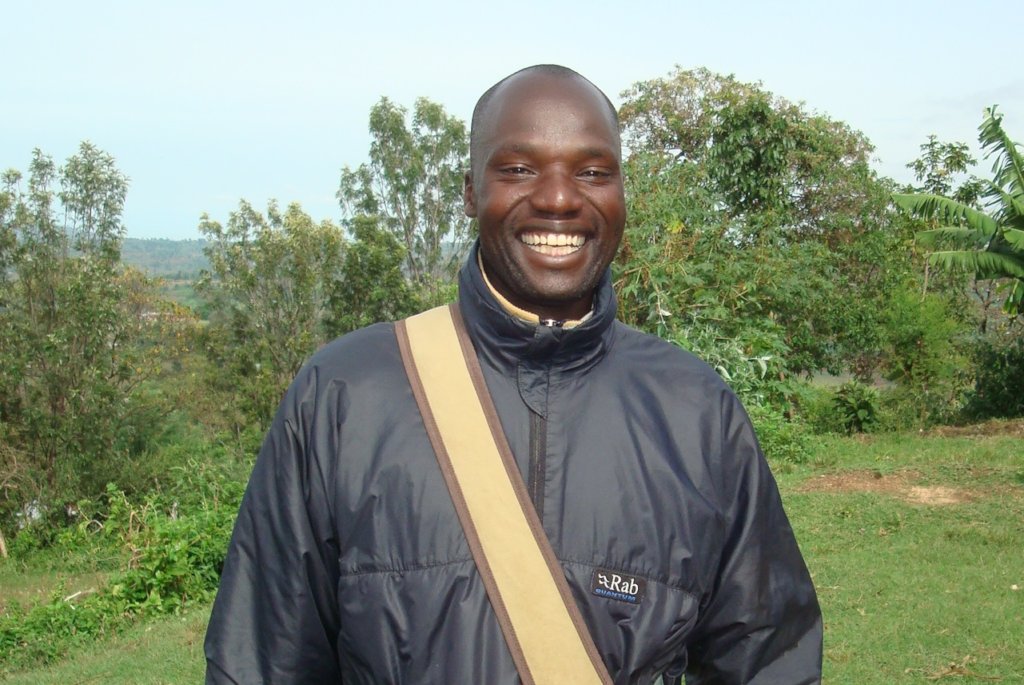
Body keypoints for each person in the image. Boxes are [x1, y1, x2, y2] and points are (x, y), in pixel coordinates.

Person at [205, 64, 822, 684]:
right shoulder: (342, 396)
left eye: (593, 172)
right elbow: (263, 659)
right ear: (472, 190)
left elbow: (767, 659)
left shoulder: (695, 412)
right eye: (519, 169)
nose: (558, 198)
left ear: (621, 192)